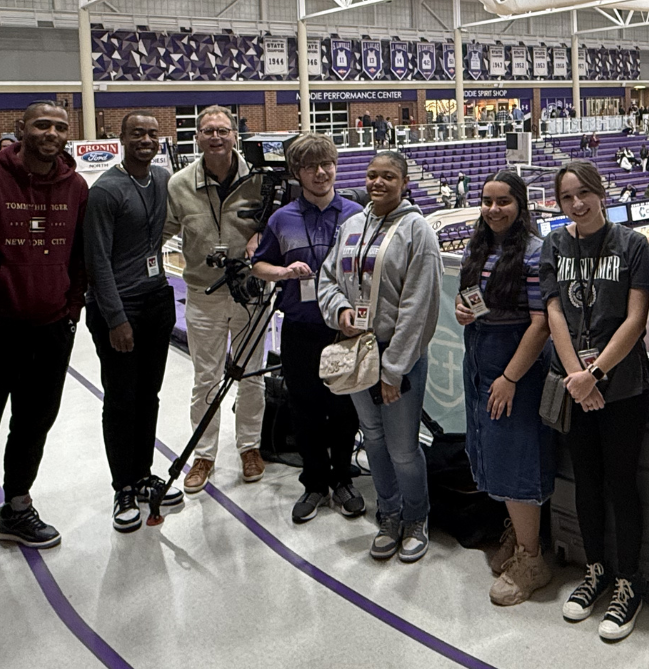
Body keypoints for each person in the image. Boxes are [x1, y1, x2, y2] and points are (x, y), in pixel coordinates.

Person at [0, 101, 88, 582]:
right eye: (42, 125)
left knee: (34, 423)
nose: (51, 133)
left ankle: (17, 506)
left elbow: (79, 257)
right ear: (20, 129)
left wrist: (70, 310)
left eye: (60, 127)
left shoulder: (75, 187)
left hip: (49, 329)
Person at [541, 160, 649, 642]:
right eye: (567, 197)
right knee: (586, 482)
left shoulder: (631, 244)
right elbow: (554, 313)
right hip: (576, 387)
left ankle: (629, 581)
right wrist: (575, 377)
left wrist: (596, 373)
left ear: (601, 193)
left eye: (584, 193)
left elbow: (636, 319)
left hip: (621, 386)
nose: (577, 204)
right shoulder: (554, 244)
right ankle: (596, 570)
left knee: (622, 485)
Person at [319, 151, 442, 564]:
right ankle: (388, 513)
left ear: (404, 182)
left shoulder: (418, 230)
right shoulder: (352, 224)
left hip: (396, 356)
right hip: (358, 351)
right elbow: (328, 277)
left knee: (404, 447)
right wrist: (339, 310)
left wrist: (394, 369)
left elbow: (418, 305)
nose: (378, 183)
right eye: (372, 175)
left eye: (388, 176)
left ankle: (416, 517)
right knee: (371, 436)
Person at [251, 134, 365, 524]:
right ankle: (315, 483)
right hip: (300, 329)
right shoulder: (282, 219)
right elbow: (259, 265)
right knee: (306, 409)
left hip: (344, 330)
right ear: (297, 173)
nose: (321, 172)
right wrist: (283, 272)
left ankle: (343, 480)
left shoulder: (355, 214)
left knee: (345, 407)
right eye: (312, 167)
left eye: (327, 164)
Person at [455, 171, 554, 606]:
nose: (494, 210)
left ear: (521, 205)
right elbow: (473, 301)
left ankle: (532, 559)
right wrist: (463, 310)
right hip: (479, 354)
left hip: (515, 362)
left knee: (516, 456)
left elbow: (541, 324)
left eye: (504, 202)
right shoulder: (478, 248)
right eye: (487, 201)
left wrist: (511, 377)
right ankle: (518, 532)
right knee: (490, 449)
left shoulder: (534, 253)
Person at [84, 111, 180, 532]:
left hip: (157, 299)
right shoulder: (105, 191)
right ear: (120, 138)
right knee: (121, 399)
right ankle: (123, 485)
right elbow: (97, 262)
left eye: (152, 133)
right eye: (137, 133)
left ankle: (143, 475)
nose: (146, 139)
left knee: (149, 394)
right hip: (120, 306)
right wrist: (115, 317)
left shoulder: (161, 179)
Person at [163, 105, 265, 494]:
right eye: (208, 131)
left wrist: (262, 239)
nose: (216, 137)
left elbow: (273, 224)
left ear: (235, 135)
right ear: (198, 138)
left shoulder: (258, 180)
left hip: (249, 294)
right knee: (205, 378)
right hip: (202, 294)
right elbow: (163, 231)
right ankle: (203, 455)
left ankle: (250, 448)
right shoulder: (178, 184)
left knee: (251, 377)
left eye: (223, 130)